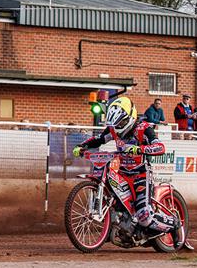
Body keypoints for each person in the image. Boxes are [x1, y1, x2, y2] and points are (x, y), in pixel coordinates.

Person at [72, 97, 181, 245]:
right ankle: (116, 226)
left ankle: (174, 224)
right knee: (112, 196)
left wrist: (138, 148)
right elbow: (99, 139)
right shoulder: (113, 130)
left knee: (144, 215)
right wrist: (81, 146)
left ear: (130, 117)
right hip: (122, 173)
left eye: (121, 123)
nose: (118, 127)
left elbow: (160, 147)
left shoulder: (143, 128)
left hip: (141, 174)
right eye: (116, 124)